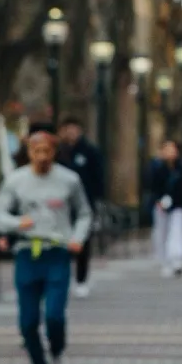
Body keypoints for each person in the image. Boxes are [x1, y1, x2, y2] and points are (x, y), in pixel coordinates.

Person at [0, 125, 94, 364]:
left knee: (55, 315)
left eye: (47, 151)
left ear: (55, 153)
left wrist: (77, 238)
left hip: (57, 252)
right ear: (29, 152)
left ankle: (58, 355)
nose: (42, 156)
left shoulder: (69, 180)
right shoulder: (16, 181)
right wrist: (16, 224)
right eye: (36, 151)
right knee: (27, 321)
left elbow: (84, 213)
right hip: (27, 253)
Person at [56, 117, 107, 298]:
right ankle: (63, 276)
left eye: (73, 128)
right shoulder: (58, 152)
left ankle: (81, 278)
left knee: (82, 242)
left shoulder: (90, 152)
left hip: (84, 203)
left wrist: (98, 199)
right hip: (61, 204)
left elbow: (98, 176)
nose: (70, 132)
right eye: (67, 128)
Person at [145, 139, 182, 276]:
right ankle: (165, 261)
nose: (170, 152)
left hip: (179, 205)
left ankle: (177, 259)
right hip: (160, 205)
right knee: (161, 233)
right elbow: (151, 186)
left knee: (176, 231)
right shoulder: (156, 167)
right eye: (166, 149)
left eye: (172, 149)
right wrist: (157, 201)